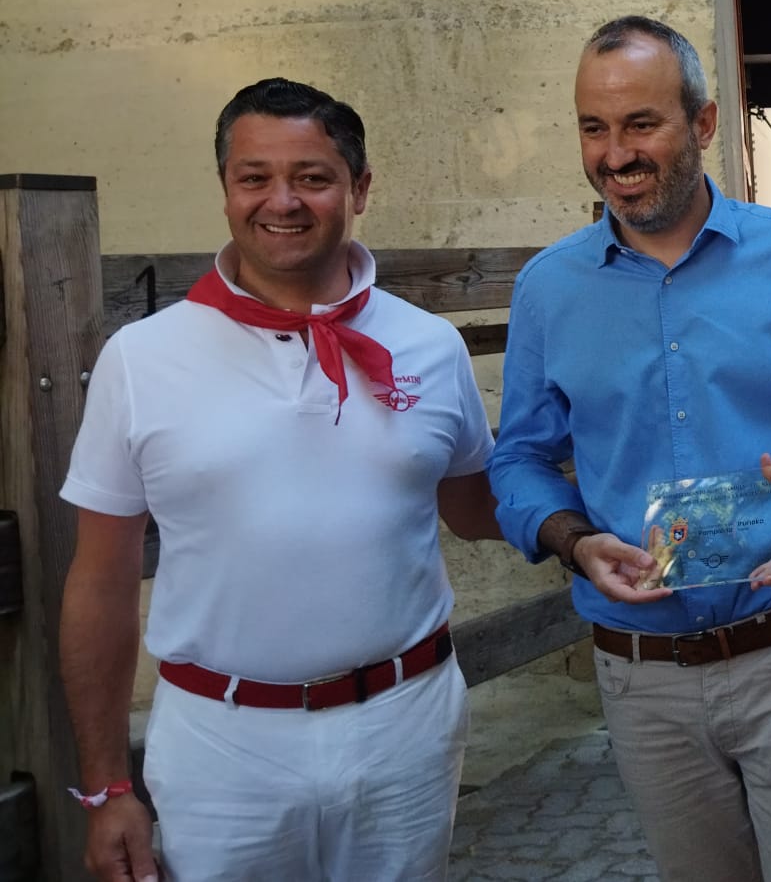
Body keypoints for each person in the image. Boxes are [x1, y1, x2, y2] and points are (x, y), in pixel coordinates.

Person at [58, 78, 500, 882]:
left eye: (313, 176)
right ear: (225, 189)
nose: (281, 200)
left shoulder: (431, 345)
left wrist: (611, 493)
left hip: (404, 724)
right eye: (254, 176)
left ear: (360, 189)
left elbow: (477, 508)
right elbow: (99, 580)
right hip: (223, 743)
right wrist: (105, 785)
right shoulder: (142, 358)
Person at [490, 16, 771, 882]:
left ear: (704, 124)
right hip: (645, 673)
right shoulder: (549, 290)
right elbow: (518, 459)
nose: (615, 153)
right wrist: (570, 537)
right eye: (593, 128)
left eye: (642, 123)